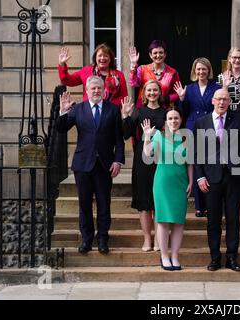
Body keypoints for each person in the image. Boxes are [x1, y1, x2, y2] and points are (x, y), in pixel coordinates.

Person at [194, 88, 240, 272]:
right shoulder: (201, 122)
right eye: (219, 99)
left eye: (225, 99)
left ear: (229, 102)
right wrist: (200, 176)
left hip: (234, 177)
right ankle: (215, 258)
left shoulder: (237, 119)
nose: (222, 102)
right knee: (213, 221)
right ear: (213, 101)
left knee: (233, 219)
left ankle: (232, 258)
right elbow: (196, 153)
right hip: (211, 178)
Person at [56, 76, 125, 255]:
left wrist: (118, 160)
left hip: (105, 165)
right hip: (83, 165)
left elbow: (119, 139)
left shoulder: (113, 109)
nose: (96, 91)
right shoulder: (78, 109)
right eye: (93, 88)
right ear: (87, 90)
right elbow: (61, 128)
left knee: (104, 203)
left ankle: (102, 239)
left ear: (104, 90)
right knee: (84, 204)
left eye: (99, 88)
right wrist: (63, 111)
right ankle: (86, 239)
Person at [142, 107, 193, 271]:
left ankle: (175, 256)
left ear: (181, 120)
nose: (173, 121)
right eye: (170, 118)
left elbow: (190, 163)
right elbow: (147, 153)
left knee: (178, 222)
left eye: (176, 118)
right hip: (162, 183)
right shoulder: (158, 135)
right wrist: (147, 137)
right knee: (163, 221)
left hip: (181, 182)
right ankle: (164, 256)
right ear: (165, 121)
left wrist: (191, 181)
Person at [122, 80, 166, 252]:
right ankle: (148, 238)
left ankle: (159, 239)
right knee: (144, 200)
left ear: (160, 92)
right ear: (144, 93)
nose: (152, 93)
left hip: (162, 157)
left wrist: (160, 133)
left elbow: (173, 134)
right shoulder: (138, 111)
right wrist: (126, 116)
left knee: (159, 200)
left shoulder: (166, 112)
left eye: (155, 90)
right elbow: (126, 134)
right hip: (142, 158)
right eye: (149, 90)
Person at [173, 57, 221, 218]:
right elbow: (184, 111)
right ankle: (199, 206)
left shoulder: (216, 87)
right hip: (193, 127)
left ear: (209, 70)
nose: (201, 72)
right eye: (198, 69)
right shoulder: (189, 88)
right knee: (196, 164)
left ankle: (210, 204)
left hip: (211, 126)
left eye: (204, 69)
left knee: (210, 163)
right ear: (194, 71)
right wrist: (181, 98)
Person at [58, 43, 128, 108]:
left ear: (110, 59)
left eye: (106, 56)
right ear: (95, 58)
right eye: (100, 55)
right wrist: (62, 64)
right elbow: (67, 80)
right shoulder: (86, 71)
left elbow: (123, 98)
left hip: (110, 114)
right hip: (89, 112)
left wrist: (108, 108)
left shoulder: (119, 75)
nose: (102, 58)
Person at [129, 40, 180, 108]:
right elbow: (134, 83)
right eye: (155, 53)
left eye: (161, 52)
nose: (158, 55)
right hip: (143, 108)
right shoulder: (142, 69)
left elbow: (177, 93)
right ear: (150, 55)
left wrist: (166, 99)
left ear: (165, 54)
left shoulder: (172, 72)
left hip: (163, 110)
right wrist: (133, 65)